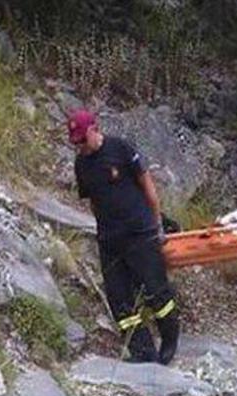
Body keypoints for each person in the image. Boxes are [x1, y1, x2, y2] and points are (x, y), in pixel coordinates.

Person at [69, 109, 180, 364]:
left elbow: (147, 185)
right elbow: (93, 200)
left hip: (140, 232)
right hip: (110, 239)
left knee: (155, 291)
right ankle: (142, 352)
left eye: (83, 140)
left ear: (94, 129)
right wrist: (103, 228)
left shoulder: (120, 149)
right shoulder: (81, 164)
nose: (80, 146)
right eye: (75, 142)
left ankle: (170, 339)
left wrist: (157, 225)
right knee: (119, 299)